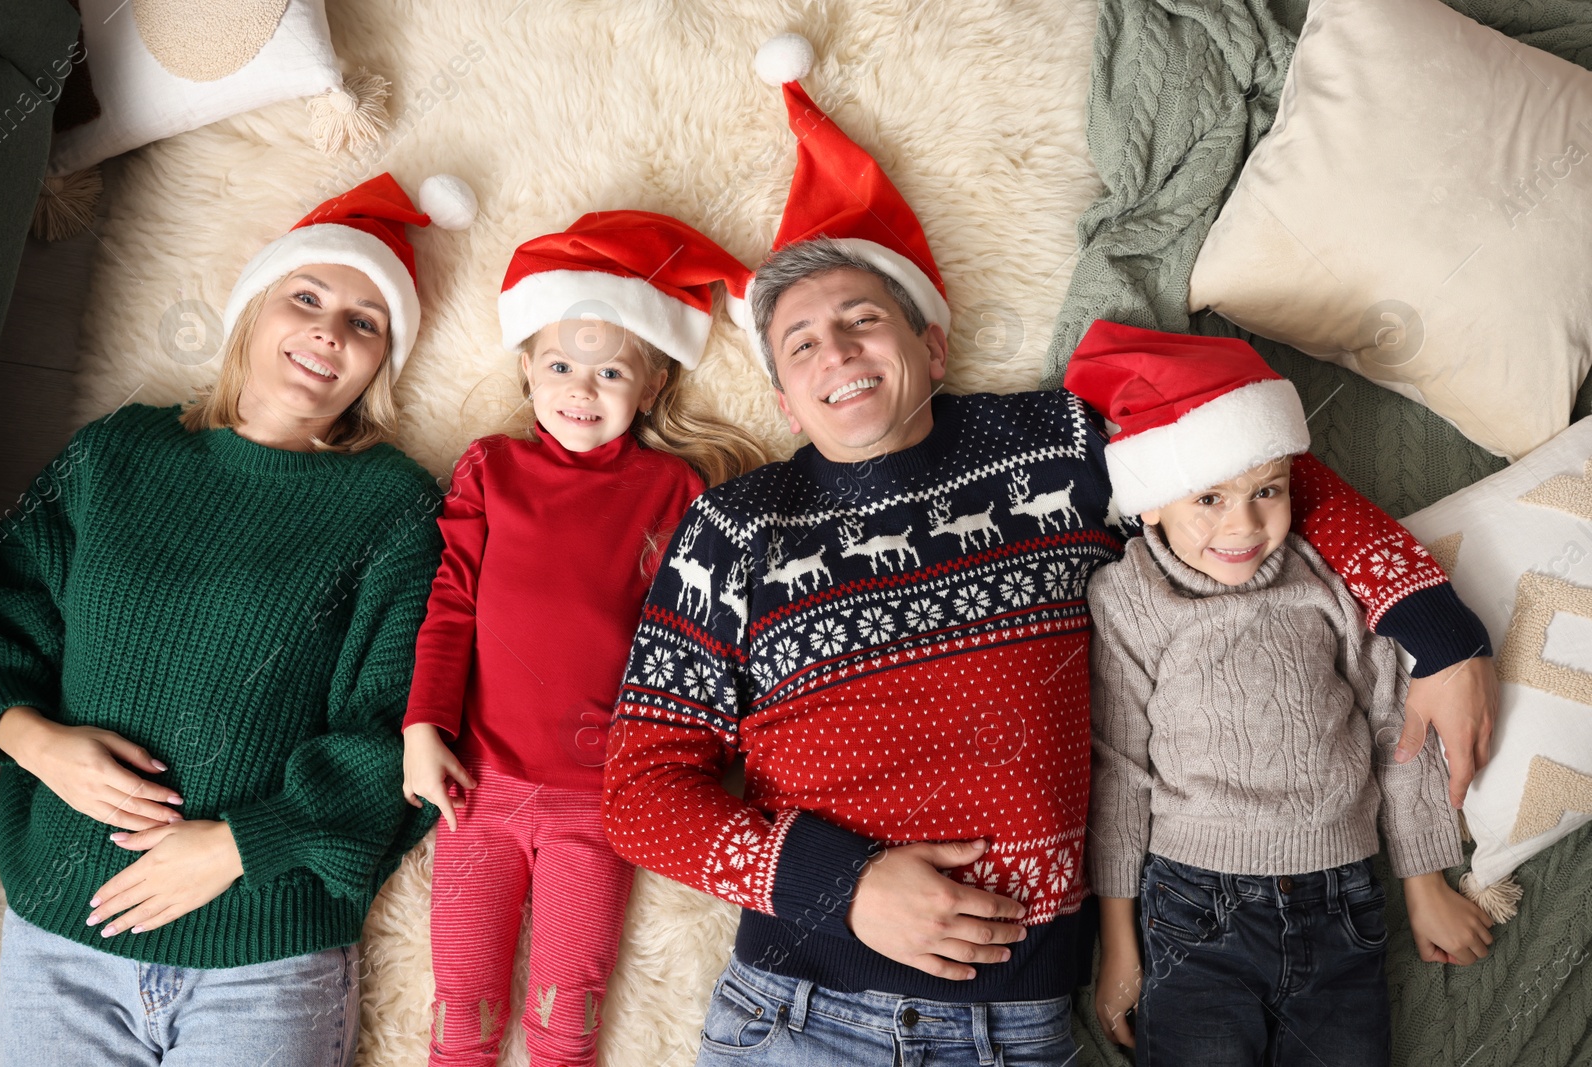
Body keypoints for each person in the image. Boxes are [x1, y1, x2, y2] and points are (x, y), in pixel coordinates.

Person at [602, 36, 1500, 1066]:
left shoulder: (1056, 446)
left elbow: (1254, 470)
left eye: (863, 319)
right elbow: (641, 793)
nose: (837, 351)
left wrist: (1432, 627)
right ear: (780, 397)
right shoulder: (735, 528)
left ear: (932, 344)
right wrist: (836, 882)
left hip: (1021, 1028)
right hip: (809, 1009)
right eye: (800, 343)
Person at [0, 171, 474, 1066]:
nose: (331, 329)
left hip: (264, 954)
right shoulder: (117, 454)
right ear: (253, 311)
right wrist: (30, 738)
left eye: (366, 322)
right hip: (63, 936)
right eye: (308, 296)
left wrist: (242, 844)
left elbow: (402, 727)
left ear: (380, 364)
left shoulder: (396, 509)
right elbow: (4, 605)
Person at [400, 211, 768, 1067]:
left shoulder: (670, 488)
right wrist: (423, 728)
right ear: (527, 369)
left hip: (600, 799)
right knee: (463, 1015)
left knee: (568, 1019)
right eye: (562, 364)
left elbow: (693, 636)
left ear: (650, 388)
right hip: (476, 788)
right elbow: (450, 604)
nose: (582, 387)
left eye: (610, 372)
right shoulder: (491, 467)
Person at [1069, 328, 1493, 1064]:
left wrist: (1423, 884)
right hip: (1195, 910)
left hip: (1344, 903)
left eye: (1268, 489)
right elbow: (1119, 773)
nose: (1244, 524)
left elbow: (1395, 720)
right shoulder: (1130, 599)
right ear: (1151, 506)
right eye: (1209, 497)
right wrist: (1119, 945)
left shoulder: (1321, 581)